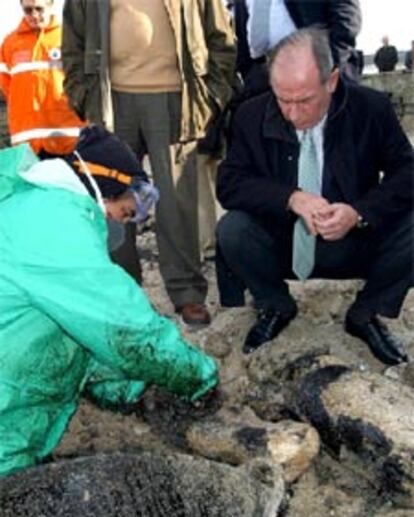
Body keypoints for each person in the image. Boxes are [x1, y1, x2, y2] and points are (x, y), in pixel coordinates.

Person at [0, 125, 218, 477]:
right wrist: (198, 377)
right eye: (127, 211)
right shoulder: (55, 222)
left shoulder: (38, 205)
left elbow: (80, 340)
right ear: (105, 186)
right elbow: (122, 328)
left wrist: (134, 390)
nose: (125, 222)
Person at [216, 28, 413, 364]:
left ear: (332, 81)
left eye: (304, 100)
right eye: (283, 99)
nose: (292, 113)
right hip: (281, 243)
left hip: (353, 240)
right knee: (232, 229)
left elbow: (407, 174)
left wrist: (359, 212)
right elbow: (229, 182)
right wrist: (291, 198)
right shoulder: (251, 114)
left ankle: (366, 313)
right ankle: (276, 305)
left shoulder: (371, 109)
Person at [61, 0, 236, 326]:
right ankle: (122, 293)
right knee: (111, 200)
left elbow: (222, 40)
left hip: (175, 98)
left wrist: (211, 97)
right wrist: (83, 97)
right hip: (112, 101)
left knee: (176, 200)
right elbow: (72, 42)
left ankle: (187, 294)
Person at [0, 0, 84, 158]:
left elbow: (83, 82)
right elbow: (7, 87)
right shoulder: (10, 43)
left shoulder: (70, 39)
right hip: (26, 140)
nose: (34, 15)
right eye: (28, 10)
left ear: (51, 6)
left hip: (67, 136)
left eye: (39, 9)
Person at [233, 0, 362, 96]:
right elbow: (240, 34)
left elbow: (346, 20)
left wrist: (325, 66)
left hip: (316, 74)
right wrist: (250, 73)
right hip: (262, 81)